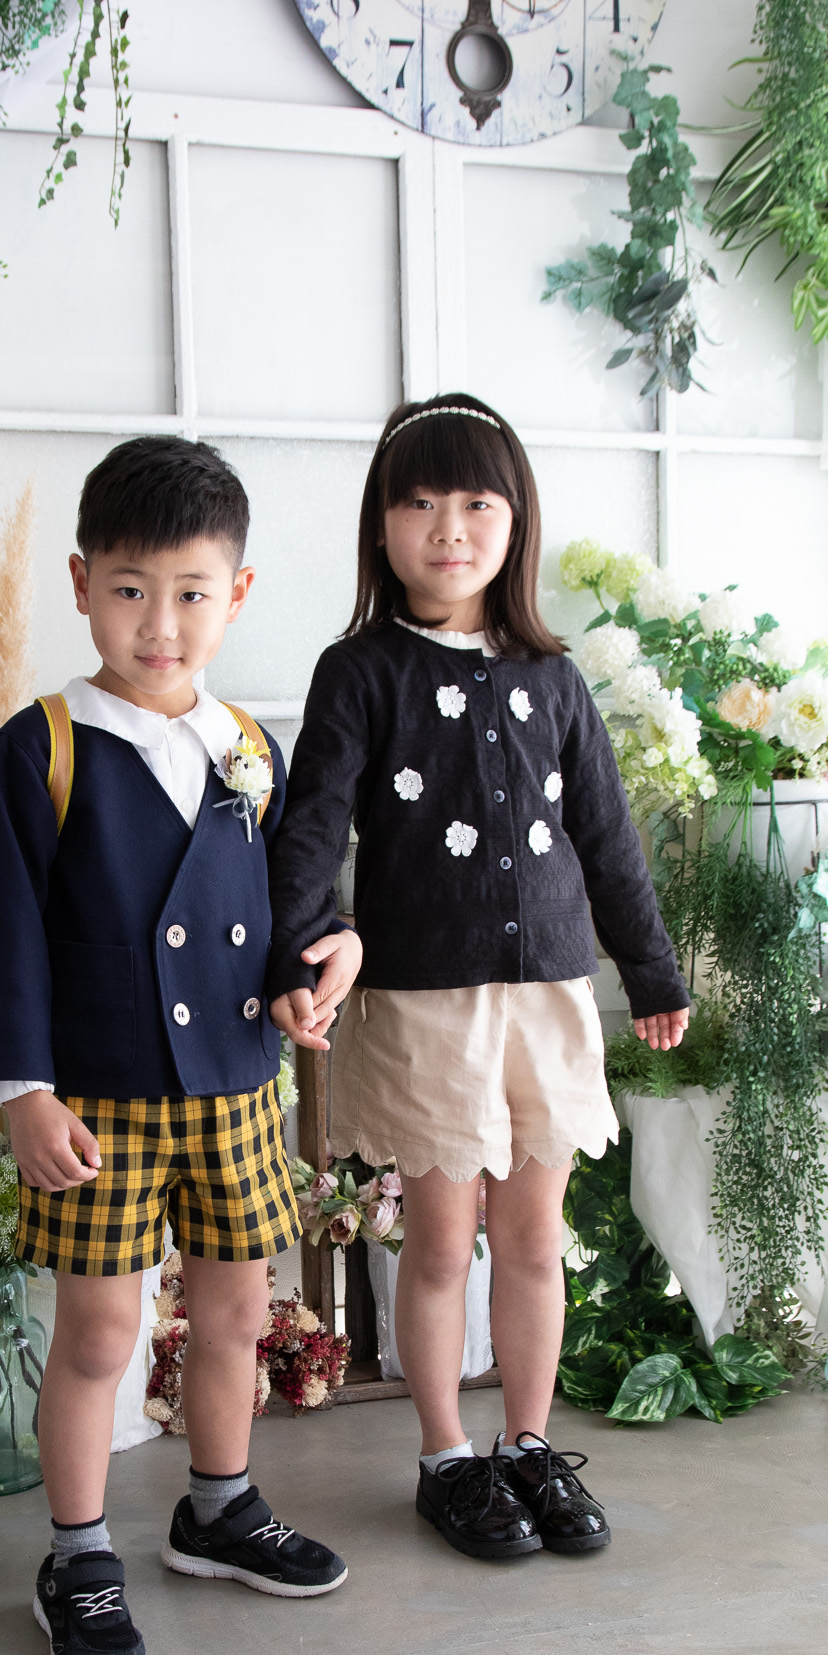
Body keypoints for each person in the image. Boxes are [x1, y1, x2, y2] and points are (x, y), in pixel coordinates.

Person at [267, 396, 689, 1563]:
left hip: (548, 995)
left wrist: (651, 968)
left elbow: (608, 837)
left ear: (515, 521)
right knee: (444, 1242)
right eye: (418, 502)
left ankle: (530, 1445)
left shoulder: (554, 677)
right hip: (423, 1003)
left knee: (537, 1239)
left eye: (474, 502)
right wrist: (299, 947)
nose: (447, 527)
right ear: (382, 525)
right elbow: (312, 828)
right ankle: (448, 1456)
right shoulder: (360, 671)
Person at [0, 436, 362, 1655]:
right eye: (132, 589)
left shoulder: (249, 744)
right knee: (100, 1333)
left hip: (236, 1085)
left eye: (192, 591)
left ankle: (219, 1507)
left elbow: (287, 905)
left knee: (237, 1308)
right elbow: (5, 932)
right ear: (82, 583)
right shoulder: (39, 746)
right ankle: (79, 1552)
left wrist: (322, 961)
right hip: (96, 1097)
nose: (161, 622)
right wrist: (23, 1090)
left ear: (236, 594)